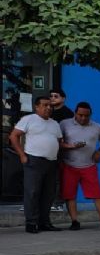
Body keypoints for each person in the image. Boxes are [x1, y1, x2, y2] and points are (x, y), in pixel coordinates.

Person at [9, 95, 69, 233]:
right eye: (45, 105)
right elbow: (13, 136)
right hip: (34, 160)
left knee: (48, 194)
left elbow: (60, 142)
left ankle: (44, 223)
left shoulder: (54, 124)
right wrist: (22, 155)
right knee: (32, 192)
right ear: (37, 106)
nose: (48, 108)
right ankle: (31, 223)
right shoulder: (29, 119)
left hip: (52, 162)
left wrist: (72, 148)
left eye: (50, 105)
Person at [59, 102, 100, 231]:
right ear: (75, 113)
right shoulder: (64, 124)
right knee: (70, 194)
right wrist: (71, 146)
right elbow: (58, 143)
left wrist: (99, 152)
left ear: (90, 115)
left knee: (97, 194)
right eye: (80, 115)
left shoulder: (97, 127)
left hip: (89, 165)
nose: (83, 118)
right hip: (69, 165)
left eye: (86, 116)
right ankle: (74, 221)